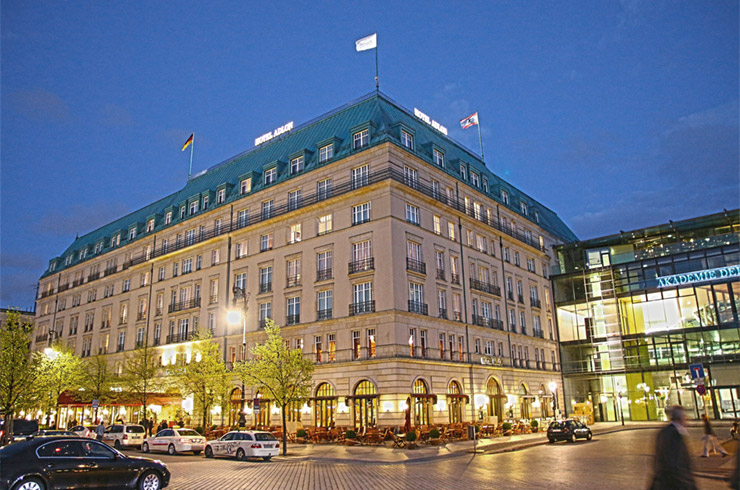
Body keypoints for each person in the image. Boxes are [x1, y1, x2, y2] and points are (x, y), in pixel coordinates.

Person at [650, 405, 696, 490]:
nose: (686, 420)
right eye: (685, 417)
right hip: (674, 483)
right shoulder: (675, 434)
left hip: (666, 481)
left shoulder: (664, 431)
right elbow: (676, 463)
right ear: (680, 418)